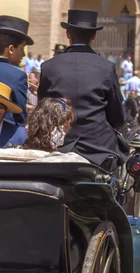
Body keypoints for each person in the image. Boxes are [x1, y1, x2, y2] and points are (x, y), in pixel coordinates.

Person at [38, 9, 128, 170]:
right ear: (93, 36)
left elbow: (43, 110)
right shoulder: (106, 68)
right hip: (99, 149)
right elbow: (117, 116)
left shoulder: (49, 67)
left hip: (58, 146)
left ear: (67, 34)